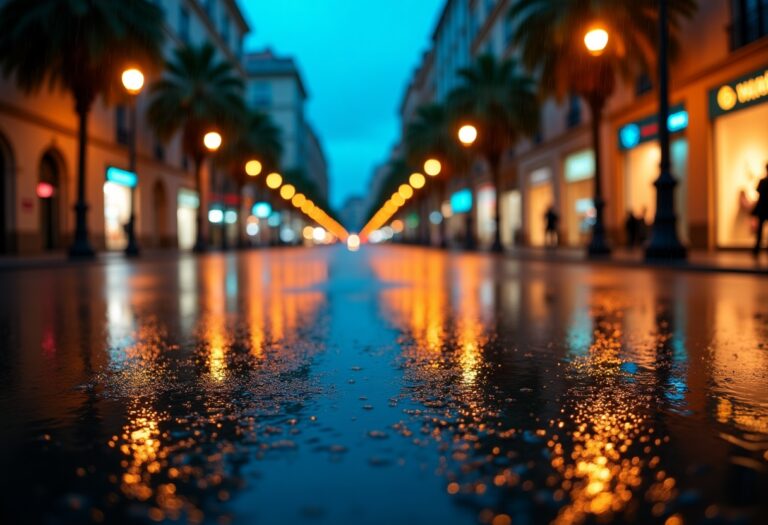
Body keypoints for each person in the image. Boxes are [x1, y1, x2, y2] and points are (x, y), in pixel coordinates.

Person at [752, 163, 768, 256]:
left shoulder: (762, 182)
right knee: (760, 230)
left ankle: (756, 249)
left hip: (763, 209)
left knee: (760, 231)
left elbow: (759, 194)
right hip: (763, 209)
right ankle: (756, 249)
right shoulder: (762, 181)